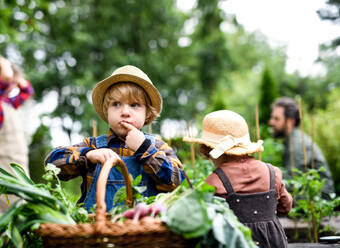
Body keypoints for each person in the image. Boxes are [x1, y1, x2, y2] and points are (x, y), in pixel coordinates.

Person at [45, 65, 185, 212]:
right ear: (107, 111)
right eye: (116, 104)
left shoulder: (157, 147)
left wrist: (145, 150)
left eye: (134, 105)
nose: (125, 112)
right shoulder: (93, 145)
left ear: (147, 113)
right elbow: (52, 164)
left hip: (145, 230)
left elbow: (178, 183)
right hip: (98, 230)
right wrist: (87, 155)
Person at [184, 110, 292, 248]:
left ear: (211, 150)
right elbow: (285, 206)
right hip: (274, 243)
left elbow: (202, 221)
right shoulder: (273, 173)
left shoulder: (214, 183)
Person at [0, 55, 34, 212]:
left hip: (19, 161)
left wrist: (17, 79)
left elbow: (27, 91)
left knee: (20, 200)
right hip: (1, 160)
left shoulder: (9, 103)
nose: (12, 83)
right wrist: (3, 62)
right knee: (5, 203)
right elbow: (4, 79)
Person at [269, 97, 335, 200]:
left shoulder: (297, 144)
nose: (271, 122)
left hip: (317, 201)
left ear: (290, 121)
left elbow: (292, 184)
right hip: (308, 196)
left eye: (276, 119)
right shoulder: (291, 140)